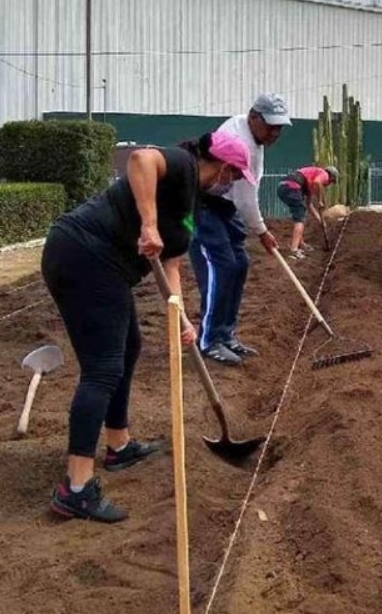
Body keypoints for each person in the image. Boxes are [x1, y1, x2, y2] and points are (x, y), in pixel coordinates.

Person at [42, 131, 255, 523]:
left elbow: (171, 265)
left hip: (106, 266)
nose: (233, 185)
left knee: (128, 348)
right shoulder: (182, 164)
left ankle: (118, 445)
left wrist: (181, 319)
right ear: (223, 167)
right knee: (103, 368)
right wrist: (149, 224)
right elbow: (140, 159)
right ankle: (76, 489)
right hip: (83, 254)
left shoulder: (190, 200)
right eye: (235, 177)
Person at [189, 93, 290, 366]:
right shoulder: (240, 140)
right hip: (204, 205)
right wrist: (262, 231)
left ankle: (226, 334)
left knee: (240, 263)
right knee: (221, 266)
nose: (275, 132)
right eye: (271, 126)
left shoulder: (254, 137)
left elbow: (244, 195)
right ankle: (209, 341)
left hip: (225, 206)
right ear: (254, 116)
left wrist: (259, 230)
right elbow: (247, 198)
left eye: (279, 127)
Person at [277, 164, 338, 258]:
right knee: (300, 219)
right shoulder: (324, 174)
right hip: (292, 187)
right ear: (331, 177)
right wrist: (320, 200)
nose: (328, 184)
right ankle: (294, 250)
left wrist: (321, 221)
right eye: (331, 182)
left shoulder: (310, 180)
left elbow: (309, 205)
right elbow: (318, 182)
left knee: (299, 214)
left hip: (283, 187)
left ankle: (301, 243)